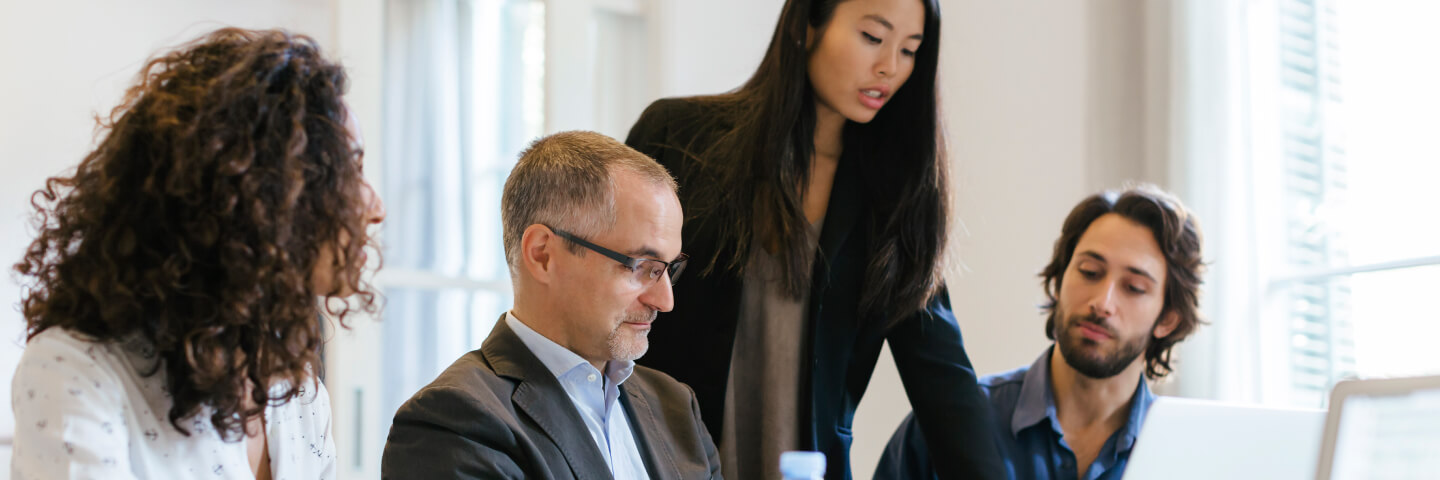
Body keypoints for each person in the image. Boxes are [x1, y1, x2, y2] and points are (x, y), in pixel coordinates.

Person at [623, 0, 1001, 478]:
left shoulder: (894, 199)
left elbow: (946, 388)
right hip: (660, 463)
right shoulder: (676, 136)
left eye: (910, 50)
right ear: (806, 25)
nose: (890, 67)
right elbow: (607, 294)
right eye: (872, 37)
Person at [10, 28, 384, 479]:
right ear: (261, 194)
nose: (375, 207)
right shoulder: (76, 373)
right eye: (351, 171)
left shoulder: (298, 390)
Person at [381, 131, 722, 479]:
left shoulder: (675, 406)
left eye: (669, 269)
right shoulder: (453, 422)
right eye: (642, 268)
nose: (665, 301)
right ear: (543, 255)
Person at [874, 185, 1206, 480]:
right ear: (1059, 279)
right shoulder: (949, 419)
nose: (1102, 303)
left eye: (1134, 288)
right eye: (1090, 272)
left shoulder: (1188, 453)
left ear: (1168, 320)